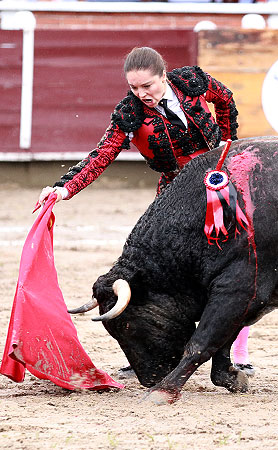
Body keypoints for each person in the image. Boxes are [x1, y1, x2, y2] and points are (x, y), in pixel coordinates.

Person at [36, 46, 255, 377]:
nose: (142, 94)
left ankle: (238, 353)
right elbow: (103, 153)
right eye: (135, 88)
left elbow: (225, 100)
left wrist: (228, 146)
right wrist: (64, 187)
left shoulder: (192, 82)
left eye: (148, 86)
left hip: (220, 187)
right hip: (173, 195)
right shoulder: (129, 114)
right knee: (157, 269)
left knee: (234, 265)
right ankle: (150, 347)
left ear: (163, 76)